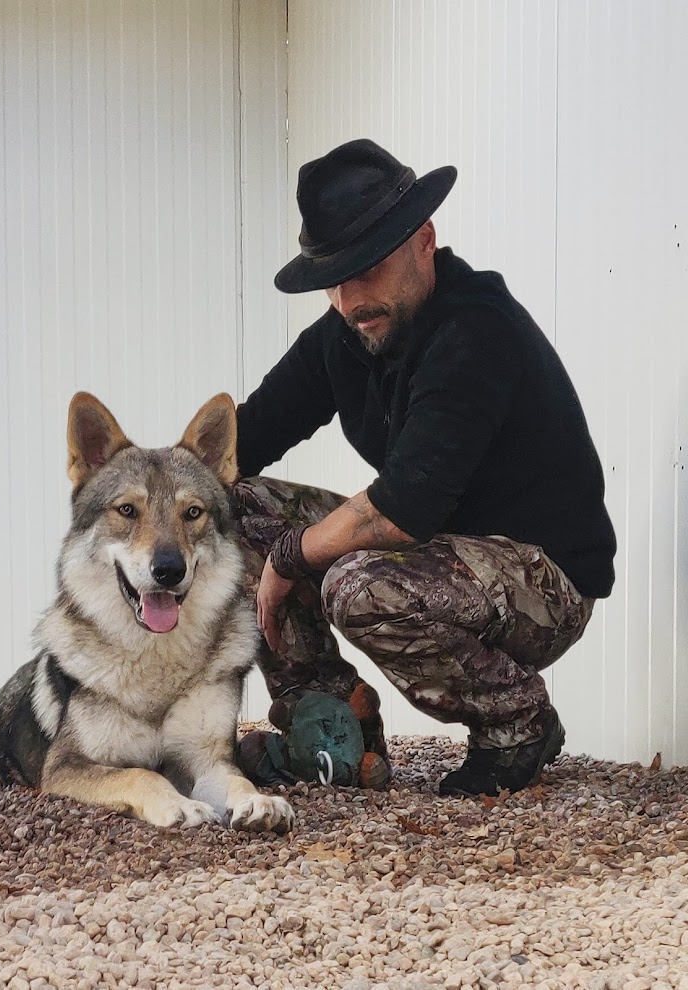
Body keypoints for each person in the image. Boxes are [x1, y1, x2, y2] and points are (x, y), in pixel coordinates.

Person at [232, 138, 616, 797]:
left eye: (369, 267)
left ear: (423, 240)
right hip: (438, 552)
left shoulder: (475, 330)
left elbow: (402, 506)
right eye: (335, 278)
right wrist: (143, 498)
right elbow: (244, 438)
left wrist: (290, 556)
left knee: (357, 584)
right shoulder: (345, 331)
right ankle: (329, 727)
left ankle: (516, 722)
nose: (352, 298)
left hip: (543, 578)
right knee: (223, 507)